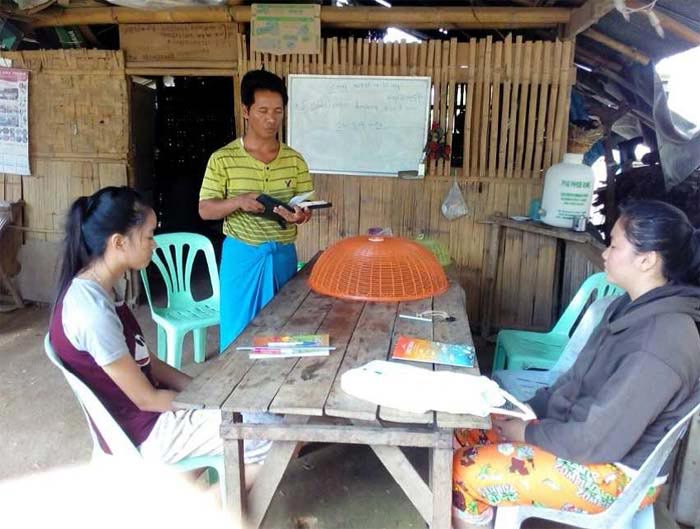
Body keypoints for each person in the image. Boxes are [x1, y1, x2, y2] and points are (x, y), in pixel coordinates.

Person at [452, 199, 700, 528]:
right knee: (462, 431)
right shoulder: (627, 308)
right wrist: (523, 411)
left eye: (614, 245)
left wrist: (525, 432)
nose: (605, 253)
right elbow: (573, 381)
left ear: (647, 260)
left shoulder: (661, 341)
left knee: (467, 469)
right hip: (578, 437)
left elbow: (597, 441)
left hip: (613, 474)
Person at [49, 186, 272, 466]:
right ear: (119, 242)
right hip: (147, 432)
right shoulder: (91, 312)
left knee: (258, 415)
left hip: (152, 417)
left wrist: (205, 392)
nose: (154, 244)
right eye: (149, 235)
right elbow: (147, 399)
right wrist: (207, 405)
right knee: (271, 434)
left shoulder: (102, 289)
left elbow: (147, 362)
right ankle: (210, 505)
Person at [199, 69, 313, 352]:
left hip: (283, 256)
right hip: (242, 257)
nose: (271, 118)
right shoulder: (222, 159)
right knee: (238, 333)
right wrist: (238, 201)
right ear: (246, 111)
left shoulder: (295, 160)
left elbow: (303, 207)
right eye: (263, 110)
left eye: (277, 111)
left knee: (282, 333)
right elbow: (205, 210)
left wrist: (300, 215)